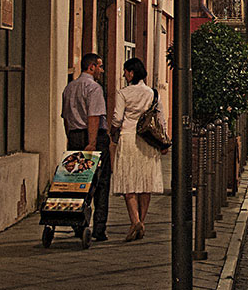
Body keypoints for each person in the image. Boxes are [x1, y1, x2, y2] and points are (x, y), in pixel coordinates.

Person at [110, 58, 168, 242]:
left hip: (128, 138)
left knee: (129, 183)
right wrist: (164, 140)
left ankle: (135, 221)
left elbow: (118, 118)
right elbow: (160, 117)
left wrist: (113, 131)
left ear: (131, 73)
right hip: (148, 140)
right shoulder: (152, 93)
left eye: (126, 71)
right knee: (145, 183)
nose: (124, 75)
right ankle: (142, 221)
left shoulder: (123, 93)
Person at [61, 53, 111, 241]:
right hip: (93, 137)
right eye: (99, 66)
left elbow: (66, 117)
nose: (101, 70)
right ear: (91, 67)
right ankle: (99, 227)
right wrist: (91, 142)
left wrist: (70, 139)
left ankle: (77, 223)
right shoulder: (93, 88)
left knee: (76, 182)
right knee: (100, 183)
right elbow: (94, 116)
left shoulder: (69, 88)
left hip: (74, 136)